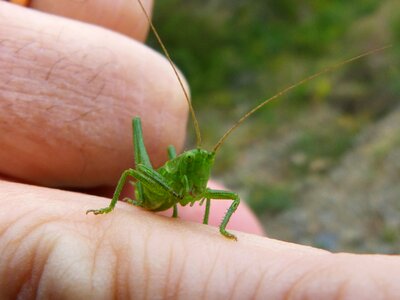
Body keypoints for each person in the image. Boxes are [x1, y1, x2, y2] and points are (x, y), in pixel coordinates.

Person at [0, 0, 399, 298]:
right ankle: (113, 204)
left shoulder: (201, 179)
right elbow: (135, 172)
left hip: (171, 196)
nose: (204, 168)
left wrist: (216, 227)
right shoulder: (168, 172)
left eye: (206, 163)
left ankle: (212, 224)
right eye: (200, 161)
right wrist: (117, 206)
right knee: (142, 137)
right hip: (151, 190)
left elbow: (212, 198)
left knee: (230, 199)